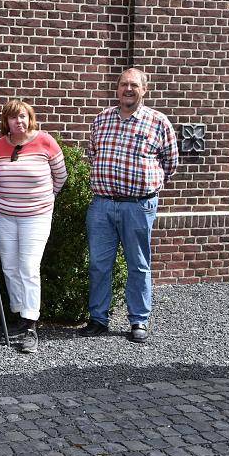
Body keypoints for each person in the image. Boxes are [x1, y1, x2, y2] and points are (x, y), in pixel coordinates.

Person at [79, 68, 178, 344]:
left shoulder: (158, 122)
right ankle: (98, 318)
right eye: (123, 84)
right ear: (117, 89)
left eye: (134, 85)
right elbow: (93, 154)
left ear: (144, 90)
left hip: (138, 206)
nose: (128, 89)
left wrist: (148, 187)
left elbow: (170, 164)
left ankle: (139, 321)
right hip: (102, 205)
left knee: (139, 264)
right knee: (99, 264)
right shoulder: (101, 120)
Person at [0, 99, 68, 354]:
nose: (19, 121)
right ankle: (19, 315)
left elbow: (61, 176)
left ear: (30, 118)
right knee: (10, 267)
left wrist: (47, 199)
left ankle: (31, 324)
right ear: (7, 122)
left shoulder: (45, 141)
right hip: (4, 215)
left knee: (28, 266)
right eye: (13, 117)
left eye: (23, 116)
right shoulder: (0, 145)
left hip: (35, 217)